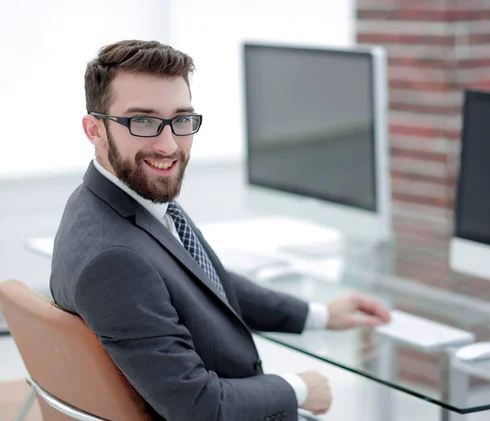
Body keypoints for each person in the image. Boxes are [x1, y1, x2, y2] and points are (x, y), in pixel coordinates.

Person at [49, 39, 391, 421]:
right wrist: (298, 388)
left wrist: (318, 314)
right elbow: (199, 407)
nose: (168, 145)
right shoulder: (115, 262)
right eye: (142, 121)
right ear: (94, 129)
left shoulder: (114, 200)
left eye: (181, 120)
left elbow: (201, 282)